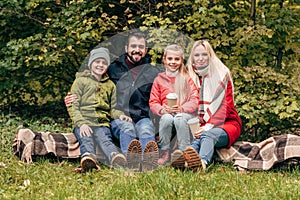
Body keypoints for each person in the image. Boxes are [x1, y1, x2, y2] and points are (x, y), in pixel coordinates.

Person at [65, 31, 160, 172]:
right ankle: (132, 162)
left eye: (141, 47)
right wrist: (71, 97)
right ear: (126, 48)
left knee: (146, 128)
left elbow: (160, 94)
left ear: (146, 50)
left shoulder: (152, 72)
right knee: (126, 128)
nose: (137, 50)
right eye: (133, 46)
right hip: (118, 116)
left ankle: (148, 163)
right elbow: (94, 76)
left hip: (142, 117)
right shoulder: (113, 68)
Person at [171, 40, 242, 172]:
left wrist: (208, 126)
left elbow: (224, 108)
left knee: (207, 135)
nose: (201, 58)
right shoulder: (193, 77)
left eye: (204, 54)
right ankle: (185, 162)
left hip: (227, 123)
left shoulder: (221, 75)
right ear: (192, 58)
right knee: (197, 139)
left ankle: (202, 164)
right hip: (203, 124)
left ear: (210, 56)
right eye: (197, 55)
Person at [68, 47, 126, 172]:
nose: (100, 65)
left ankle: (115, 157)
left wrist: (120, 115)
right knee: (86, 138)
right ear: (90, 64)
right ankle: (88, 158)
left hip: (102, 123)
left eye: (104, 63)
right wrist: (81, 123)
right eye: (97, 62)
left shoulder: (110, 85)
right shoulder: (81, 81)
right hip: (84, 121)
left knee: (104, 138)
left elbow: (113, 108)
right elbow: (74, 106)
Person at [149, 44, 199, 166]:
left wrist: (182, 108)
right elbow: (153, 101)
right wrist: (162, 110)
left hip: (184, 114)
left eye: (177, 59)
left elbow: (194, 99)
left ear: (181, 61)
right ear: (164, 60)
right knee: (166, 118)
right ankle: (164, 151)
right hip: (167, 113)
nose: (173, 62)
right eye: (170, 59)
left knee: (179, 118)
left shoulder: (186, 78)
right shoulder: (159, 79)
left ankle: (184, 152)